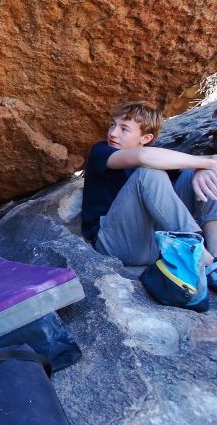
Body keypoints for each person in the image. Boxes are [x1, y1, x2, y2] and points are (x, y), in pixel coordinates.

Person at [81, 101, 217, 287]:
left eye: (124, 129)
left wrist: (201, 169)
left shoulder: (156, 158)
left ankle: (215, 257)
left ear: (145, 138)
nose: (113, 133)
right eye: (112, 124)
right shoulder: (102, 151)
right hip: (113, 243)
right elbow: (144, 158)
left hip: (154, 243)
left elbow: (195, 166)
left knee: (205, 175)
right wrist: (206, 162)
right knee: (150, 172)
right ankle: (204, 261)